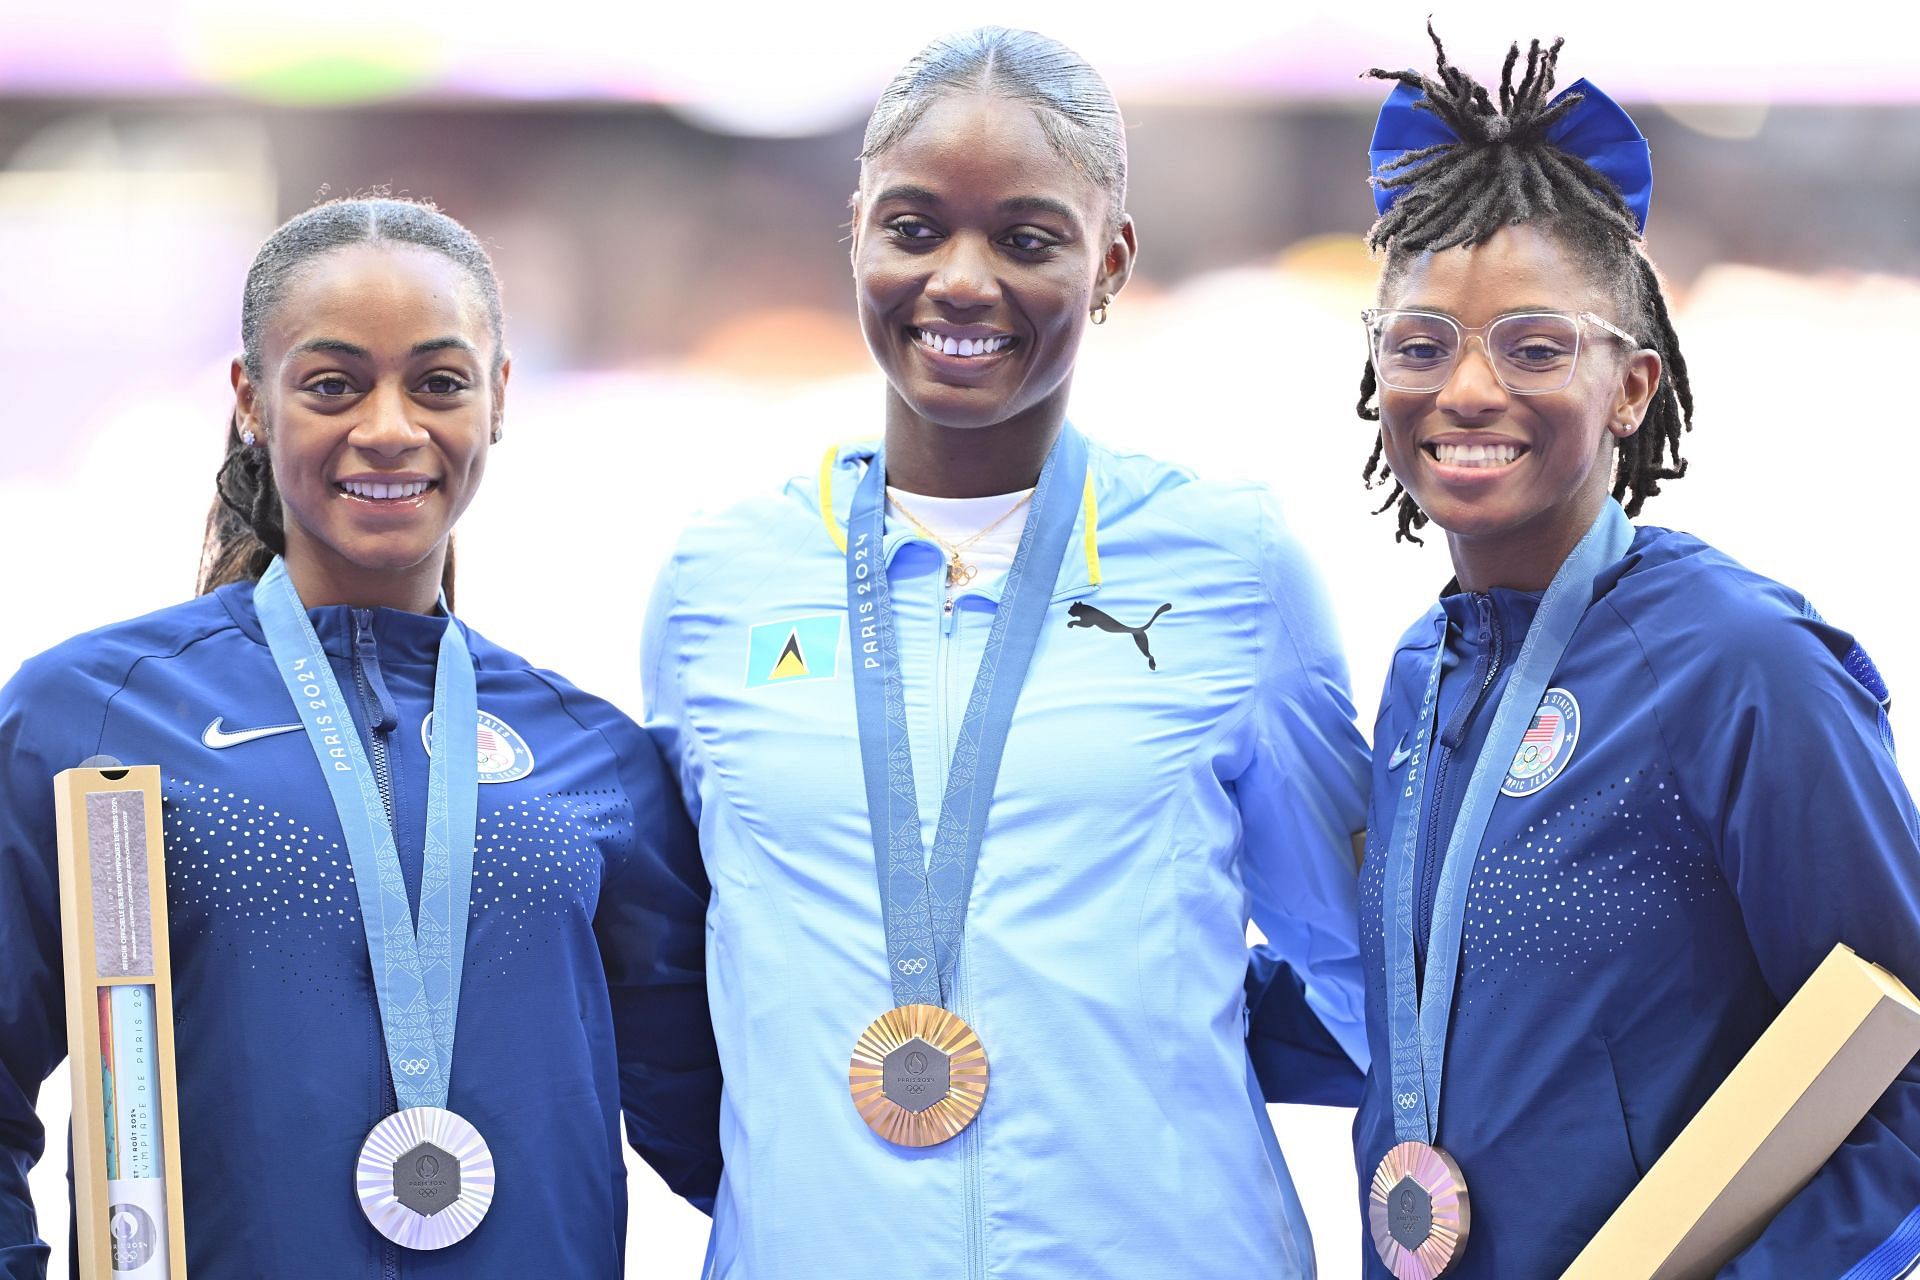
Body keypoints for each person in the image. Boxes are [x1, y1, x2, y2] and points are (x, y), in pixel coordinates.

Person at [643, 26, 1370, 1279]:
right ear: (856, 229)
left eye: (1027, 239)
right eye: (915, 229)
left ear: (1112, 261)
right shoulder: (719, 582)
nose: (961, 281)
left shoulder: (1229, 564)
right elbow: (687, 978)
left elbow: (1359, 957)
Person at [0, 197, 719, 1278]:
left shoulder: (597, 758)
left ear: (499, 396)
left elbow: (730, 1132)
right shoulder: (91, 715)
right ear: (251, 399)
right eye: (333, 382)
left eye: (438, 381)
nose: (389, 427)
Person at [1347, 29, 1920, 1279]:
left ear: (1634, 386)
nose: (1468, 388)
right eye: (1422, 341)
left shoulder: (1741, 661)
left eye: (1536, 346)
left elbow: (1908, 1055)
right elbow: (1448, 992)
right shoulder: (1419, 672)